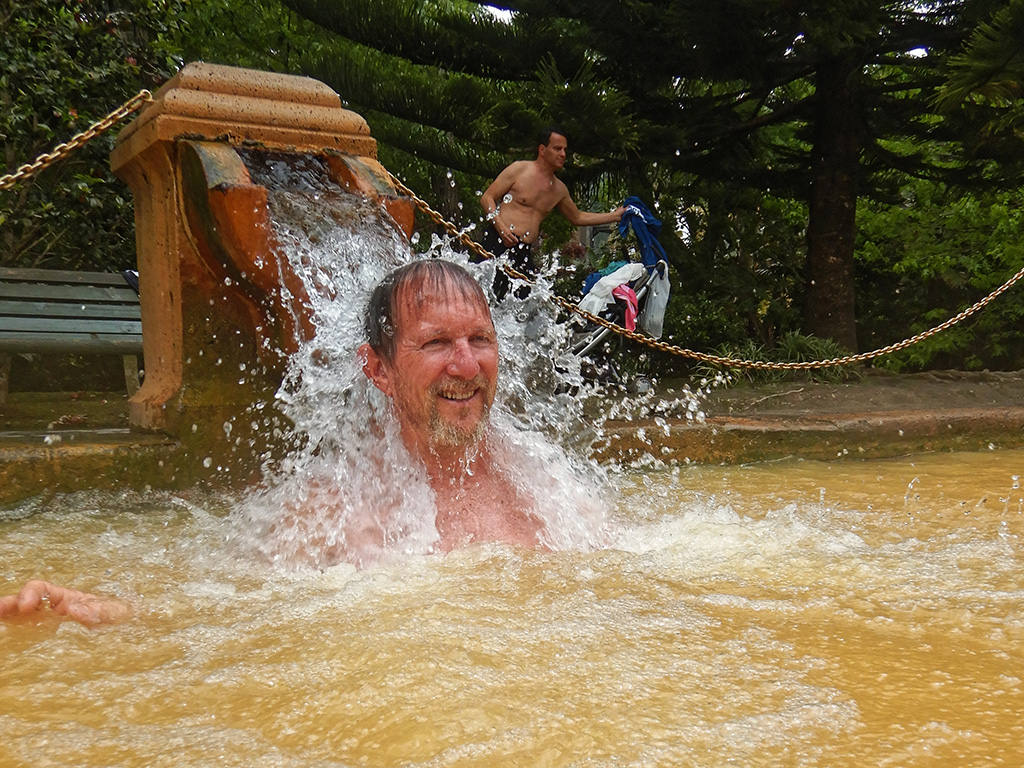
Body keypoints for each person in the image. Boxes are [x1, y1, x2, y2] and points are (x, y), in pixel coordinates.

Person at [0, 260, 551, 626]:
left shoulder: (542, 485)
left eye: (480, 338)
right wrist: (106, 611)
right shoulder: (337, 507)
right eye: (436, 343)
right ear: (378, 369)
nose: (467, 363)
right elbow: (225, 611)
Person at [479, 127, 626, 297]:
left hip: (524, 251)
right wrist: (501, 228)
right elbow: (487, 198)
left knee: (528, 304)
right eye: (557, 149)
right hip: (498, 241)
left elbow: (577, 217)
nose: (563, 154)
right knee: (482, 296)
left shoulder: (559, 190)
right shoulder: (519, 169)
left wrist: (614, 216)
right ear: (542, 150)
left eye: (565, 150)